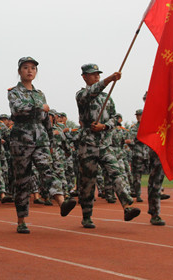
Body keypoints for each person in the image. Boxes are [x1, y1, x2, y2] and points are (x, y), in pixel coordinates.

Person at [8, 57, 76, 234]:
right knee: (23, 181)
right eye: (25, 68)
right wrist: (41, 106)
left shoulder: (40, 94)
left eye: (33, 68)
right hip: (21, 140)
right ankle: (21, 220)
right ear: (19, 71)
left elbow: (45, 118)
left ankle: (62, 202)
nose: (30, 71)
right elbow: (17, 109)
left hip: (41, 139)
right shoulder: (14, 92)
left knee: (47, 170)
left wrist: (51, 140)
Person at [75, 63, 140, 229]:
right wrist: (109, 79)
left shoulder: (107, 98)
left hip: (105, 144)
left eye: (98, 74)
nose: (96, 76)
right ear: (84, 77)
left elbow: (114, 117)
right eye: (93, 74)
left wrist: (105, 126)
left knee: (116, 173)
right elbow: (89, 93)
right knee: (88, 182)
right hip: (88, 145)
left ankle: (127, 206)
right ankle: (87, 216)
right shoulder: (82, 94)